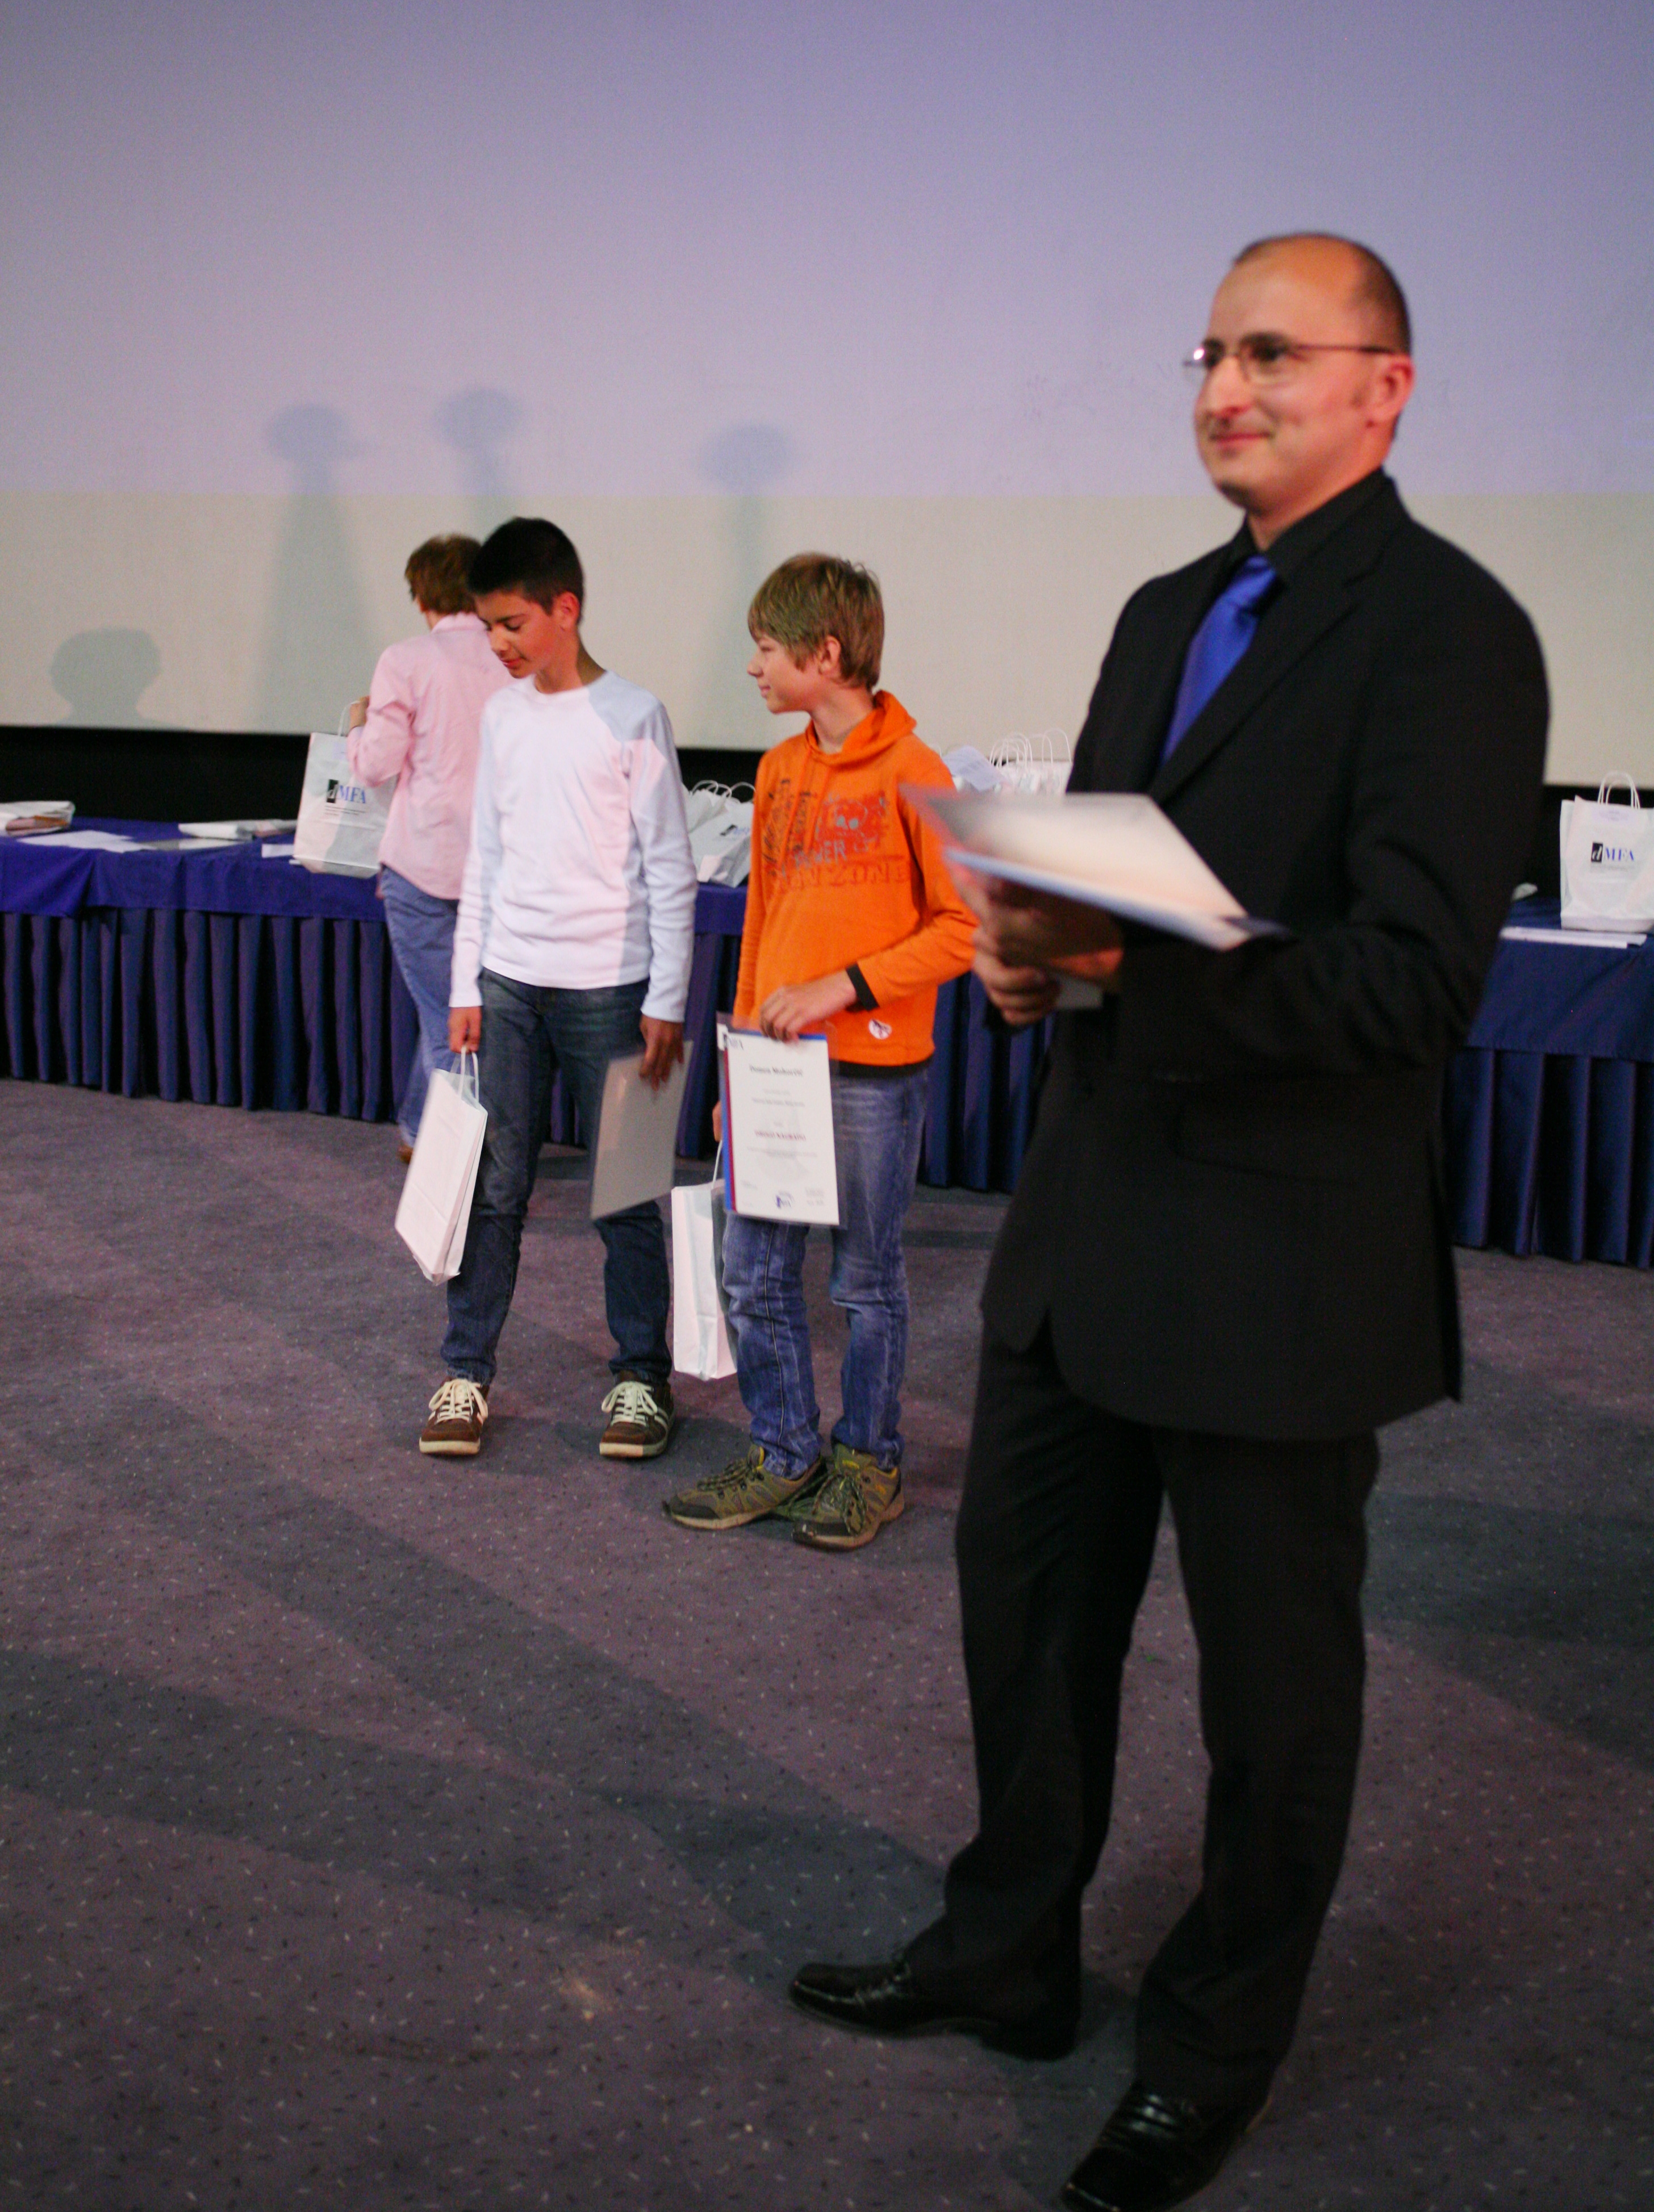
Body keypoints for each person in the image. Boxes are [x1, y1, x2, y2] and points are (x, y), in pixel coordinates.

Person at [787, 236, 1549, 2212]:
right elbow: (1108, 891)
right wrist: (1032, 960)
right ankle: (1008, 1948)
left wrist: (1135, 973)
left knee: (1269, 1696)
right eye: (1210, 349)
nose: (1225, 385)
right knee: (1023, 1616)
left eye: (1273, 351)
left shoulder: (1450, 633)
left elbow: (1409, 985)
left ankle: (1211, 2046)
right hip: (1088, 1229)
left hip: (1284, 1264)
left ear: (1384, 387)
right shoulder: (1159, 611)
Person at [663, 555, 976, 1549]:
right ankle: (785, 1450)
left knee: (864, 1283)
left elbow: (964, 929)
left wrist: (843, 986)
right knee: (752, 1271)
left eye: (766, 647)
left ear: (825, 653)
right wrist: (737, 1058)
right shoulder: (777, 771)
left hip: (873, 1075)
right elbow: (760, 920)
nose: (753, 666)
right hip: (772, 1070)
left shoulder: (918, 772)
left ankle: (870, 1462)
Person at [419, 517, 697, 1465]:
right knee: (496, 1186)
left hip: (613, 991)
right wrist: (468, 979)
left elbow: (670, 867)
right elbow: (487, 856)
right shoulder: (502, 716)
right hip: (508, 986)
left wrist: (666, 999)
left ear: (564, 609)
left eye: (512, 624)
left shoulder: (634, 714)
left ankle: (642, 1378)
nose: (498, 644)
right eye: (488, 627)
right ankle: (465, 1371)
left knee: (627, 1188)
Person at [345, 534, 506, 1157]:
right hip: (501, 867)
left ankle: (449, 1161)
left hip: (421, 865)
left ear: (420, 598)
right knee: (455, 1013)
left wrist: (358, 726)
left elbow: (374, 766)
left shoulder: (406, 660)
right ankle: (421, 1130)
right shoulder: (514, 658)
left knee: (447, 1020)